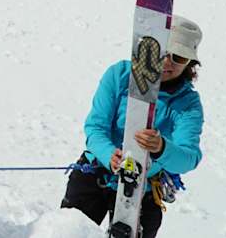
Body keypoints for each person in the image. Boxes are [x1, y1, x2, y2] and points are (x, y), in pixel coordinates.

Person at [61, 17, 205, 237]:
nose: (167, 62)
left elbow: (189, 157)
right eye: (163, 51)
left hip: (143, 190)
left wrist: (161, 148)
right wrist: (110, 154)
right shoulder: (119, 74)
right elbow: (95, 128)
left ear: (189, 64)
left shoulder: (188, 104)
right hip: (95, 174)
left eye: (179, 57)